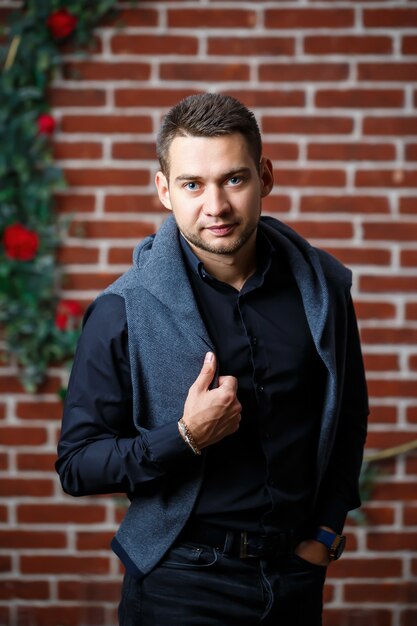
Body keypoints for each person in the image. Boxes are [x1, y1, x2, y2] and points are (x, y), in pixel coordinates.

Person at [56, 93, 368, 626]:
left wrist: (324, 533)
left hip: (294, 578)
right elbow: (77, 465)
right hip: (181, 581)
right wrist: (185, 437)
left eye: (234, 179)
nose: (216, 206)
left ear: (264, 176)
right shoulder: (121, 310)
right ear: (164, 190)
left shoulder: (323, 291)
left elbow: (348, 414)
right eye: (192, 184)